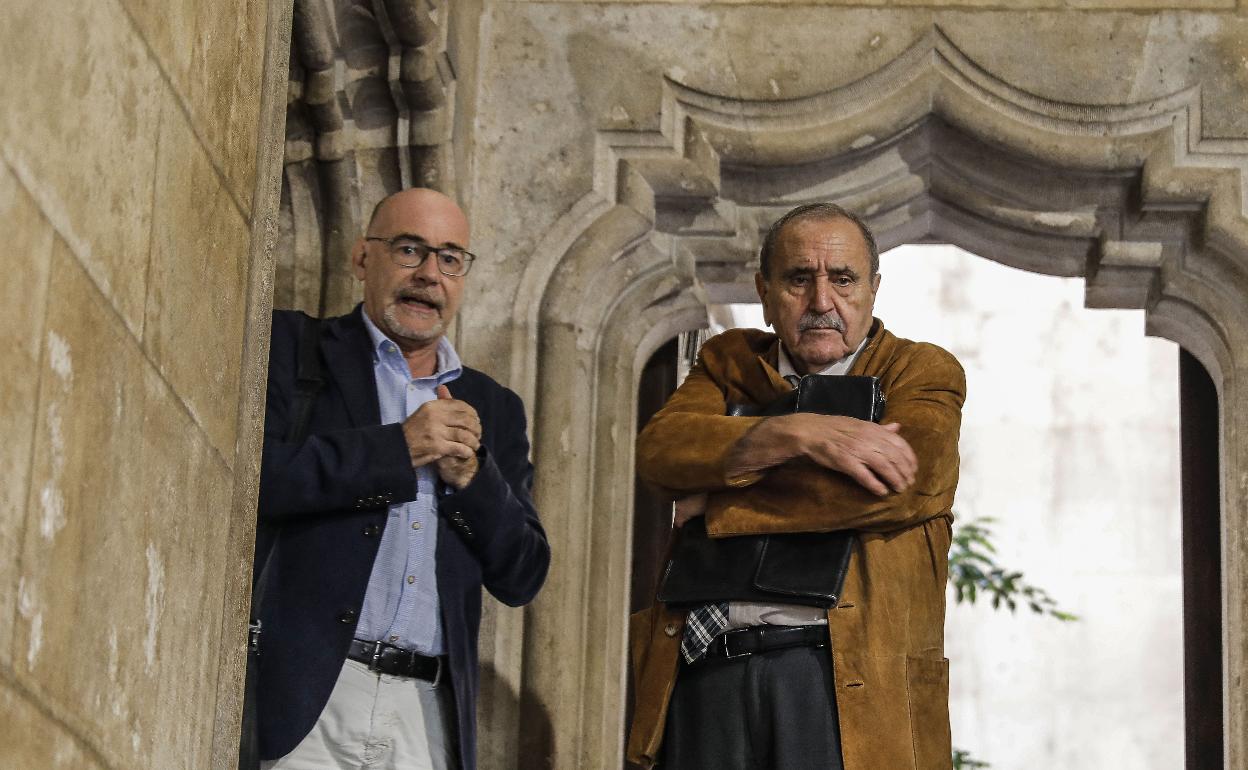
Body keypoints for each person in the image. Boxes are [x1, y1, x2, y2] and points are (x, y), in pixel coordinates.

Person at [626, 203, 966, 770]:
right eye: (798, 279)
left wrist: (717, 500)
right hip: (706, 667)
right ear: (764, 289)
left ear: (874, 289)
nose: (821, 303)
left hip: (838, 682)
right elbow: (661, 455)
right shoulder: (726, 361)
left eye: (842, 279)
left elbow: (900, 482)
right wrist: (795, 433)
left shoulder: (921, 371)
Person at [253, 188, 550, 770]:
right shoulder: (294, 348)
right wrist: (399, 448)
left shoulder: (495, 406)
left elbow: (524, 574)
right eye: (409, 250)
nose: (429, 275)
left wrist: (473, 477)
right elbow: (253, 482)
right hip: (307, 698)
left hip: (425, 714)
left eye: (449, 258)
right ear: (364, 258)